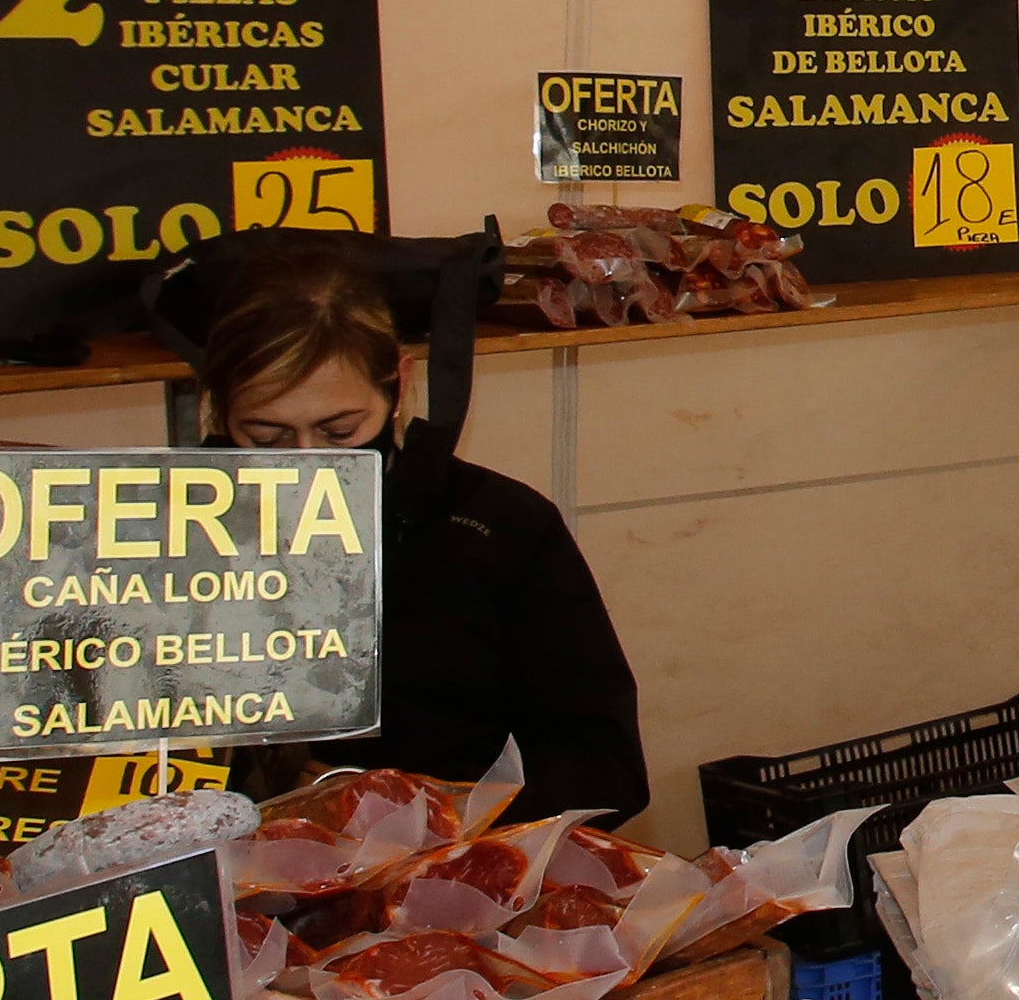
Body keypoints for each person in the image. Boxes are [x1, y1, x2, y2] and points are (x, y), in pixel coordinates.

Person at [160, 234, 652, 823]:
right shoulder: (157, 534)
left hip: (458, 874)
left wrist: (434, 811)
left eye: (340, 431)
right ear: (215, 409)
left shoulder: (499, 527)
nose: (310, 462)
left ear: (398, 381)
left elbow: (605, 767)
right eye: (266, 438)